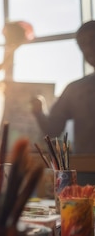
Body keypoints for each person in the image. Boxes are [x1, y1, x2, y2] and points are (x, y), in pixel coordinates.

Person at [31, 20, 95, 154]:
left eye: (93, 40)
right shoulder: (75, 89)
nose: (89, 48)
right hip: (86, 168)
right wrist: (38, 111)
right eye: (83, 44)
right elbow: (53, 129)